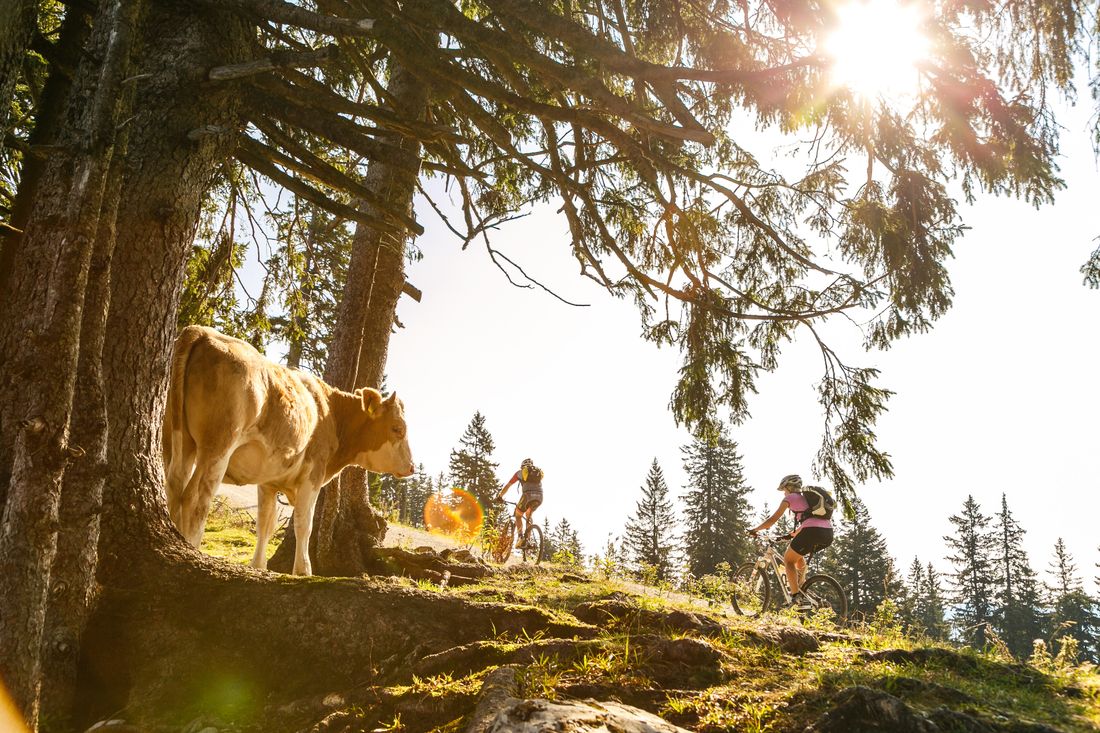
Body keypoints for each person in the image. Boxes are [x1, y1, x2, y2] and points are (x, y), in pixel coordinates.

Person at [749, 473, 834, 609]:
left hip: (811, 531)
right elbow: (809, 521)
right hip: (827, 533)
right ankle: (802, 587)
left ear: (788, 488)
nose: (784, 494)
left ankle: (795, 596)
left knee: (788, 561)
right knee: (798, 558)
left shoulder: (790, 498)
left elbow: (772, 520)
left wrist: (755, 529)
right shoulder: (807, 499)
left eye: (784, 490)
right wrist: (790, 535)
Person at [495, 457, 544, 550]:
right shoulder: (537, 473)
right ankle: (528, 540)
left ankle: (521, 538)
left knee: (518, 515)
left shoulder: (519, 473)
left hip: (527, 495)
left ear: (522, 466)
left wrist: (500, 496)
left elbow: (508, 485)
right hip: (540, 497)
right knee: (529, 515)